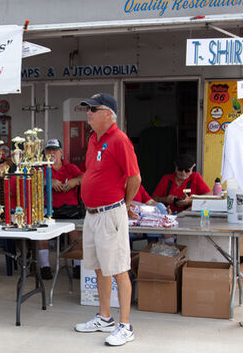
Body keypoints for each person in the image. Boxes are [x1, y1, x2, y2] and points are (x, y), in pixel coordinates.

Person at [75, 93, 140, 346]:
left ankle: (125, 325)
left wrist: (124, 205)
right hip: (92, 213)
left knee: (119, 270)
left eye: (93, 109)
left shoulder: (120, 140)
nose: (88, 113)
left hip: (110, 213)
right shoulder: (93, 139)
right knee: (101, 267)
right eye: (87, 108)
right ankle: (104, 317)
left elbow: (134, 177)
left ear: (107, 114)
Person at [39, 138, 84, 280]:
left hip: (70, 209)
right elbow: (32, 180)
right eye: (48, 150)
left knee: (75, 233)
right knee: (42, 232)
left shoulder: (70, 167)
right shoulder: (41, 168)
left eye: (54, 150)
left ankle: (77, 265)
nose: (51, 153)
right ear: (44, 152)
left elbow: (85, 176)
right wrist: (48, 181)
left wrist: (75, 181)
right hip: (47, 209)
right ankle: (44, 266)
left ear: (60, 152)